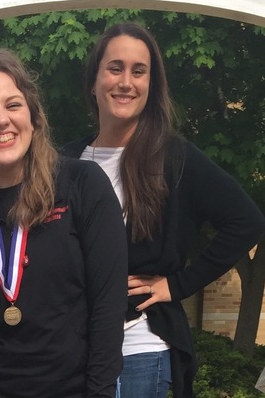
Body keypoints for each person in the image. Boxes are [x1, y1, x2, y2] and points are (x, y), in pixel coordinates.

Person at [62, 22, 265, 398]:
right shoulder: (65, 161)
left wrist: (177, 284)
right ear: (93, 80)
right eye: (115, 68)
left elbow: (246, 221)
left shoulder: (173, 158)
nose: (126, 81)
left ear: (151, 86)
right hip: (70, 352)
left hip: (138, 352)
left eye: (139, 71)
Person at [0, 48, 128, 398]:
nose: (1, 120)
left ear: (33, 117)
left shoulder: (82, 185)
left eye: (13, 105)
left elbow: (108, 309)